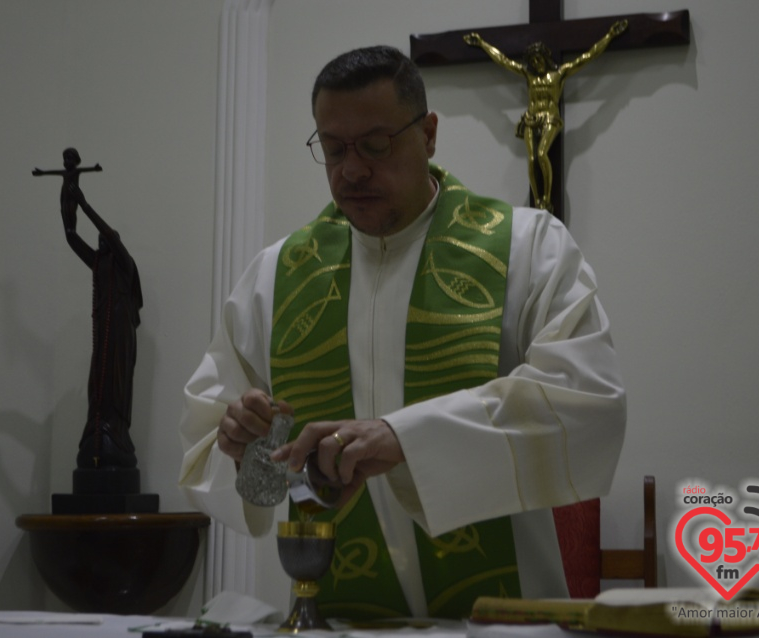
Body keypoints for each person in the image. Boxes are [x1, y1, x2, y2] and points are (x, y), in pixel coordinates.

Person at [179, 45, 625, 620]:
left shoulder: (528, 249)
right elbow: (246, 474)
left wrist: (404, 439)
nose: (352, 169)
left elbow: (587, 400)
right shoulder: (276, 275)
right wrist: (249, 447)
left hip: (499, 624)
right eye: (333, 148)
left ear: (429, 133)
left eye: (375, 144)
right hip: (340, 621)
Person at [41, 149, 143, 470]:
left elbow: (111, 234)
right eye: (99, 240)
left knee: (115, 385)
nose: (100, 241)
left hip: (120, 336)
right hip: (102, 333)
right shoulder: (99, 265)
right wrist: (68, 194)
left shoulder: (125, 265)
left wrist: (84, 203)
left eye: (104, 239)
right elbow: (71, 237)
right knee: (97, 386)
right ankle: (98, 432)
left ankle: (115, 433)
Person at [464, 21, 627, 213]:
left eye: (538, 59)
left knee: (542, 154)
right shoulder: (529, 76)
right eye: (532, 61)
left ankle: (547, 199)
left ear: (545, 58)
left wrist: (609, 36)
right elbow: (503, 61)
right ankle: (537, 199)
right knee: (532, 159)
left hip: (551, 117)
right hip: (531, 119)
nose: (535, 63)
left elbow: (587, 57)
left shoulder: (559, 74)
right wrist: (483, 44)